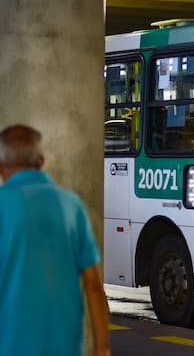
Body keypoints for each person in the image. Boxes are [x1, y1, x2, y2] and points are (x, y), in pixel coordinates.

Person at [0, 125, 110, 356]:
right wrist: (102, 347)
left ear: (1, 167)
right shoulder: (71, 205)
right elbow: (92, 284)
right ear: (41, 162)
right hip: (65, 345)